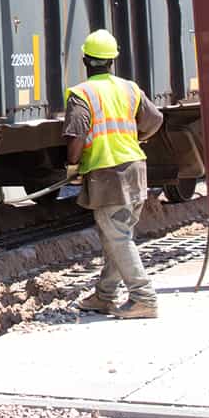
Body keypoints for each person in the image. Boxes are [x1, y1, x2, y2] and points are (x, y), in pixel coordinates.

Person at [63, 29, 164, 319]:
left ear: (85, 60)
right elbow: (155, 119)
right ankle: (105, 296)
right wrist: (134, 138)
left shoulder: (82, 94)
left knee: (118, 238)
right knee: (115, 236)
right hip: (136, 170)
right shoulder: (130, 89)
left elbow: (76, 136)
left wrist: (73, 166)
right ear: (112, 60)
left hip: (109, 175)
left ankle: (144, 297)